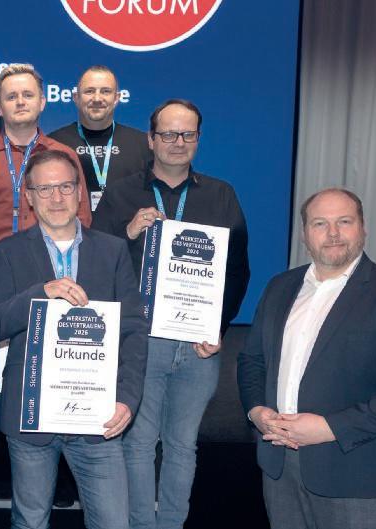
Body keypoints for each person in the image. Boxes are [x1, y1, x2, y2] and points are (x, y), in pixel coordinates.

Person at [92, 99, 250, 529]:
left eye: (187, 134)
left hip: (198, 345)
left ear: (198, 139)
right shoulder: (121, 193)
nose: (178, 142)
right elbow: (96, 263)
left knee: (182, 445)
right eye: (168, 134)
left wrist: (219, 326)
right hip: (140, 342)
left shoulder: (221, 195)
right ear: (151, 139)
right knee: (139, 443)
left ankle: (173, 524)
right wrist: (127, 232)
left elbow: (237, 270)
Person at [0, 63, 93, 504]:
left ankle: (60, 466)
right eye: (11, 96)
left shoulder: (63, 156)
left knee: (52, 375)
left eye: (28, 94)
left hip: (52, 277)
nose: (20, 102)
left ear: (42, 101)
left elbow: (82, 219)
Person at [0, 150, 147, 529]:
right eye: (45, 189)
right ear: (29, 196)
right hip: (31, 417)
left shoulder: (112, 250)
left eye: (65, 187)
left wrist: (127, 398)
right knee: (30, 522)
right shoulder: (8, 252)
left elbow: (133, 331)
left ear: (80, 192)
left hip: (98, 416)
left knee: (113, 523)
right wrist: (41, 292)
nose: (56, 198)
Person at [238, 188, 376, 529]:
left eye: (344, 222)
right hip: (280, 467)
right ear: (304, 234)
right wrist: (257, 411)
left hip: (357, 472)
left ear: (363, 228)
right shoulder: (279, 287)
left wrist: (329, 428)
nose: (333, 233)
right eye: (320, 223)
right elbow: (252, 361)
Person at [48, 65, 151, 211]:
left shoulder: (142, 143)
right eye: (89, 91)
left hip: (126, 225)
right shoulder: (54, 143)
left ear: (116, 98)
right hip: (72, 225)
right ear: (76, 98)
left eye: (105, 91)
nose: (97, 99)